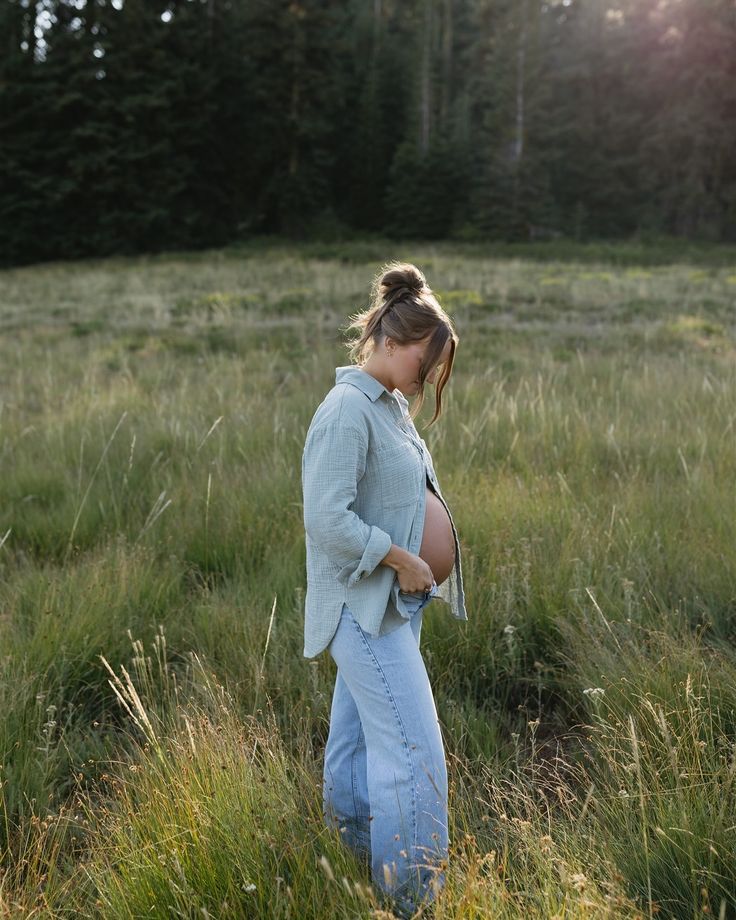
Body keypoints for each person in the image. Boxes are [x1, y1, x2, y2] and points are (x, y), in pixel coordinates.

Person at [301, 261, 467, 917]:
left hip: (392, 607)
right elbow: (326, 520)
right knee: (413, 758)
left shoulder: (389, 405)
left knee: (358, 745)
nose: (426, 379)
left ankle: (349, 866)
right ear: (392, 340)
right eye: (424, 363)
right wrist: (401, 558)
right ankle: (412, 903)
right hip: (365, 611)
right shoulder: (345, 411)